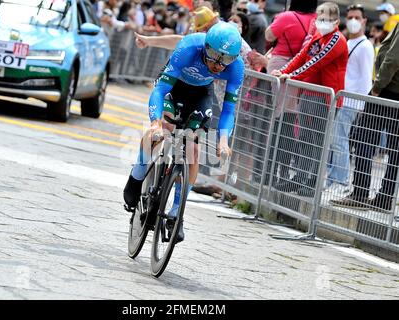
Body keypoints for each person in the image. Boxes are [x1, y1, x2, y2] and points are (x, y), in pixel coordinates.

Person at [123, 22, 245, 242]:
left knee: (193, 147)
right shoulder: (190, 47)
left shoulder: (236, 68)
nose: (218, 65)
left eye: (225, 60)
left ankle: (177, 213)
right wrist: (155, 122)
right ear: (206, 47)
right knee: (165, 128)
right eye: (215, 56)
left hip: (200, 93)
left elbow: (228, 108)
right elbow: (161, 89)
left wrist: (224, 141)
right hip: (174, 86)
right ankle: (137, 176)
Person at [271, 2, 348, 197]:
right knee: (304, 137)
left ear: (336, 21)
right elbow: (301, 56)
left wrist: (292, 76)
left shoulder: (336, 40)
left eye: (326, 19)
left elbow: (317, 62)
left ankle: (312, 182)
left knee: (318, 140)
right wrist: (284, 70)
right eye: (319, 17)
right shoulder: (317, 37)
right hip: (308, 94)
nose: (321, 22)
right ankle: (301, 177)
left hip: (324, 97)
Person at [330, 23, 399, 213]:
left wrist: (377, 88)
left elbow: (393, 58)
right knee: (394, 149)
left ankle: (360, 192)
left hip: (388, 90)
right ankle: (385, 198)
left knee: (364, 138)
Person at [263, 0, 318, 184]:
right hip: (301, 70)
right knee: (289, 120)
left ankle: (270, 173)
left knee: (279, 121)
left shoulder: (286, 16)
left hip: (281, 66)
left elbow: (269, 35)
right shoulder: (316, 19)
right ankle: (283, 173)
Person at [326, 4, 374, 192]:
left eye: (357, 17)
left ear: (364, 21)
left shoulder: (365, 46)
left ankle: (340, 181)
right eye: (350, 17)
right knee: (335, 140)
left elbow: (365, 78)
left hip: (352, 102)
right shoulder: (348, 42)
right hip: (342, 99)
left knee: (339, 140)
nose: (353, 20)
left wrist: (361, 104)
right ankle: (334, 178)